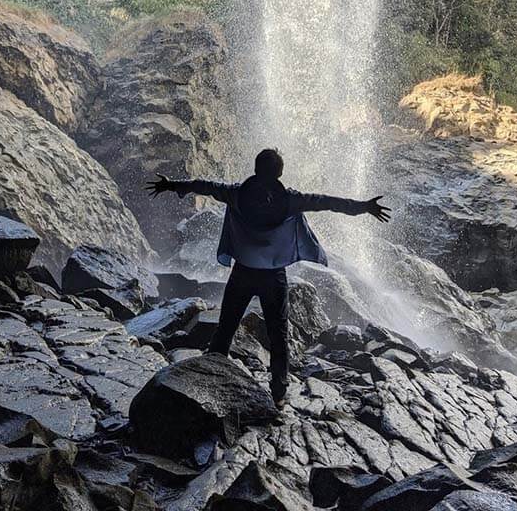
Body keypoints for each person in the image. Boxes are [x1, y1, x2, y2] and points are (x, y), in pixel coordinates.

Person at [145, 148, 391, 408]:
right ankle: (278, 393)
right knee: (278, 335)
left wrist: (172, 185)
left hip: (242, 273)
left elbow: (203, 186)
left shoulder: (236, 193)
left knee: (226, 328)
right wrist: (364, 207)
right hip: (273, 277)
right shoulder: (291, 200)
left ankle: (209, 381)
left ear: (255, 169)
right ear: (280, 173)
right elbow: (327, 202)